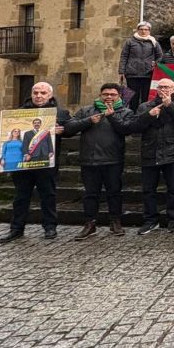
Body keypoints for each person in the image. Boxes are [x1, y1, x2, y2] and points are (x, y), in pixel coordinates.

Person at [0, 82, 70, 243]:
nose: (39, 96)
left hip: (45, 162)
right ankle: (16, 228)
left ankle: (50, 227)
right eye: (36, 92)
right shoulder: (19, 114)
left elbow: (71, 128)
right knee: (21, 197)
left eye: (43, 93)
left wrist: (62, 130)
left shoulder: (61, 113)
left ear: (50, 95)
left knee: (48, 195)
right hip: (23, 163)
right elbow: (9, 138)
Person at [63, 83, 133, 240]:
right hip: (90, 159)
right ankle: (90, 223)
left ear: (119, 96)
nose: (109, 97)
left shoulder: (125, 111)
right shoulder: (87, 110)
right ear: (100, 95)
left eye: (113, 94)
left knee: (114, 193)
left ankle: (115, 221)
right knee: (90, 194)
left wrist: (112, 116)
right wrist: (88, 121)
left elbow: (127, 129)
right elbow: (69, 127)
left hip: (113, 159)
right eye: (105, 94)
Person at [129, 79, 174, 234]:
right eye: (161, 87)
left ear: (173, 89)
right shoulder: (145, 106)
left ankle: (173, 219)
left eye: (167, 87)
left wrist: (169, 106)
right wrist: (148, 115)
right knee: (148, 189)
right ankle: (150, 220)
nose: (164, 89)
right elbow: (134, 127)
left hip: (172, 152)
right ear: (157, 89)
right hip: (150, 152)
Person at [119, 21, 163, 111]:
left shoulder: (154, 42)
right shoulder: (130, 42)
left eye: (146, 30)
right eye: (141, 29)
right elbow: (124, 56)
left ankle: (144, 115)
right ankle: (132, 115)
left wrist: (155, 64)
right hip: (132, 74)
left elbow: (160, 56)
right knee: (132, 97)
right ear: (137, 30)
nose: (143, 31)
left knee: (146, 97)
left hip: (148, 74)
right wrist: (121, 71)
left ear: (149, 31)